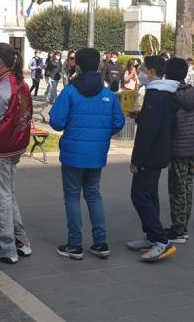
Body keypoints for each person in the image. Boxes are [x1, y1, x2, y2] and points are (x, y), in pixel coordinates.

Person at [49, 48, 125, 260]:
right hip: (97, 153)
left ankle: (75, 244)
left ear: (78, 66)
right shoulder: (108, 94)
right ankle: (100, 243)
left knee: (72, 196)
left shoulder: (70, 92)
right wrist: (102, 134)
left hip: (73, 154)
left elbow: (56, 121)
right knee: (93, 194)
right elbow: (119, 122)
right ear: (100, 65)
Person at [0, 43, 33, 264]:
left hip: (1, 147)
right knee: (9, 194)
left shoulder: (3, 86)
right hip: (16, 144)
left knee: (1, 197)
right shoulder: (20, 82)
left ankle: (6, 247)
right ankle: (21, 241)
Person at [126, 56, 179, 262]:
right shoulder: (166, 93)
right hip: (159, 151)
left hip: (150, 155)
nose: (140, 72)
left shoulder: (156, 95)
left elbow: (147, 132)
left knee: (139, 196)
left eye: (143, 69)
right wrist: (140, 116)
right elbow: (155, 122)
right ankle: (152, 236)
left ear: (151, 71)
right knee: (150, 195)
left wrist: (136, 160)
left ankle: (161, 240)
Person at [164, 58, 194, 244]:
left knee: (176, 190)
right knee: (187, 188)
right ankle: (182, 226)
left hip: (177, 149)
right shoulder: (191, 92)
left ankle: (179, 230)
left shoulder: (170, 94)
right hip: (192, 148)